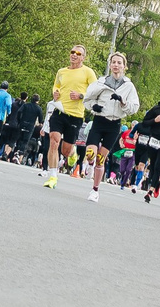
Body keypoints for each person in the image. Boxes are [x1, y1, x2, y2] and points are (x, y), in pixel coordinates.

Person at [78, 53, 139, 199]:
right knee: (90, 154)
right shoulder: (101, 82)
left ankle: (95, 190)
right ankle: (90, 165)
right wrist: (94, 107)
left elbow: (134, 107)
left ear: (124, 66)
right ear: (110, 65)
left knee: (101, 159)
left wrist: (123, 102)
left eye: (119, 63)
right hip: (99, 121)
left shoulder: (128, 86)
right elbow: (87, 99)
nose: (116, 65)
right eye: (114, 62)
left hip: (114, 124)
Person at [44, 45, 96, 187]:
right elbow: (56, 85)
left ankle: (72, 154)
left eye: (78, 53)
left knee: (65, 151)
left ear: (83, 57)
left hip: (75, 116)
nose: (74, 55)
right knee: (54, 141)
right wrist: (55, 92)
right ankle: (52, 176)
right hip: (59, 111)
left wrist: (81, 95)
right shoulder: (61, 71)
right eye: (72, 52)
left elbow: (95, 92)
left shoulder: (88, 72)